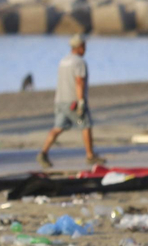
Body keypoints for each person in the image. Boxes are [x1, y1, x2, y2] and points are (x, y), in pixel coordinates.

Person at [37, 34, 104, 170]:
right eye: (83, 46)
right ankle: (90, 155)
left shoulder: (64, 61)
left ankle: (43, 153)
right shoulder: (79, 62)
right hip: (73, 102)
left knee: (58, 127)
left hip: (60, 100)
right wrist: (81, 101)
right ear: (78, 47)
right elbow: (79, 81)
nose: (85, 48)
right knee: (85, 125)